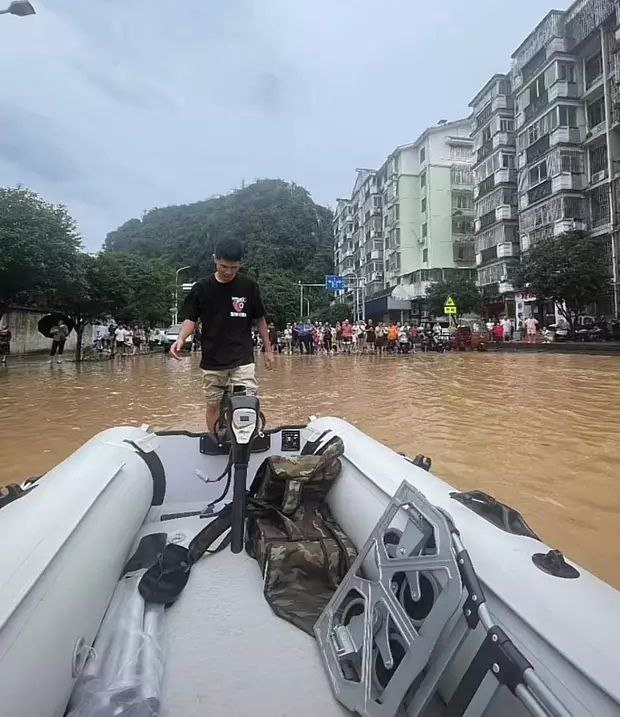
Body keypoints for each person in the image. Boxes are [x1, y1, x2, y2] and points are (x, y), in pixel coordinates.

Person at [171, 238, 273, 434]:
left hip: (242, 357)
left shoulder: (248, 286)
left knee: (247, 403)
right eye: (224, 266)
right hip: (212, 359)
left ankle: (244, 441)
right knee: (213, 405)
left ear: (240, 264)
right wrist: (180, 338)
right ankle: (214, 439)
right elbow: (191, 319)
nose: (228, 272)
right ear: (214, 260)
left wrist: (268, 350)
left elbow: (260, 319)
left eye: (234, 267)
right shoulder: (201, 287)